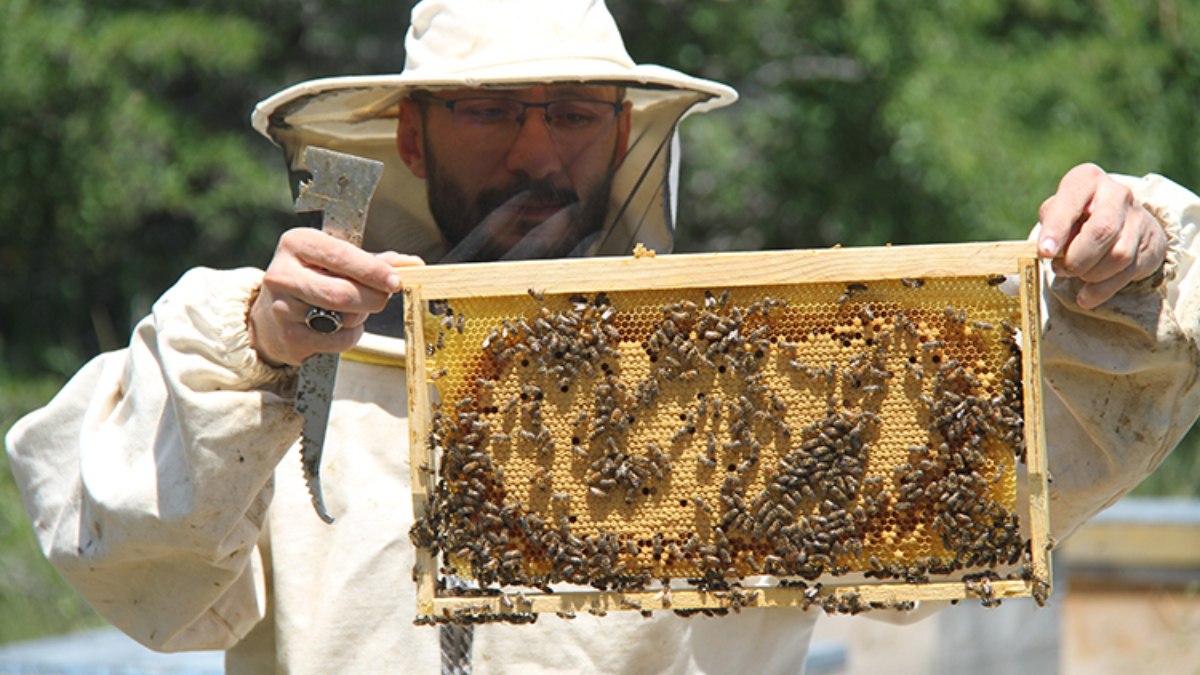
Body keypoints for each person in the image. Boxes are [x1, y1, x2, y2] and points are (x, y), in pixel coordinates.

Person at [6, 0, 1198, 673]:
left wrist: (1128, 259)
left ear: (626, 134)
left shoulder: (760, 371)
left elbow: (1039, 432)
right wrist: (256, 358)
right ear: (412, 138)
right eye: (489, 117)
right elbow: (127, 565)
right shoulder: (277, 355)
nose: (536, 153)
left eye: (573, 115)